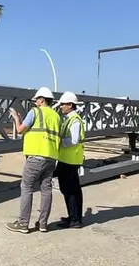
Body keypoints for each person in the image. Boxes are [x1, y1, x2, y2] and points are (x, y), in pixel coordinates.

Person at [6, 87, 61, 233]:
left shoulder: (35, 112)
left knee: (26, 188)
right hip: (51, 157)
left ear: (42, 100)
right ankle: (43, 224)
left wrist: (16, 117)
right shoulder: (56, 116)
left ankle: (23, 223)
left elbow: (20, 129)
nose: (35, 102)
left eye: (37, 100)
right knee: (46, 190)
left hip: (36, 156)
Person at [54, 91, 85, 228]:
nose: (61, 107)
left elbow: (74, 140)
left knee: (70, 190)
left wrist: (59, 141)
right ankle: (73, 216)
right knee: (70, 189)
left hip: (70, 161)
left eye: (63, 104)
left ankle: (75, 219)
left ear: (70, 105)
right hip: (67, 159)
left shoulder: (75, 120)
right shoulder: (69, 119)